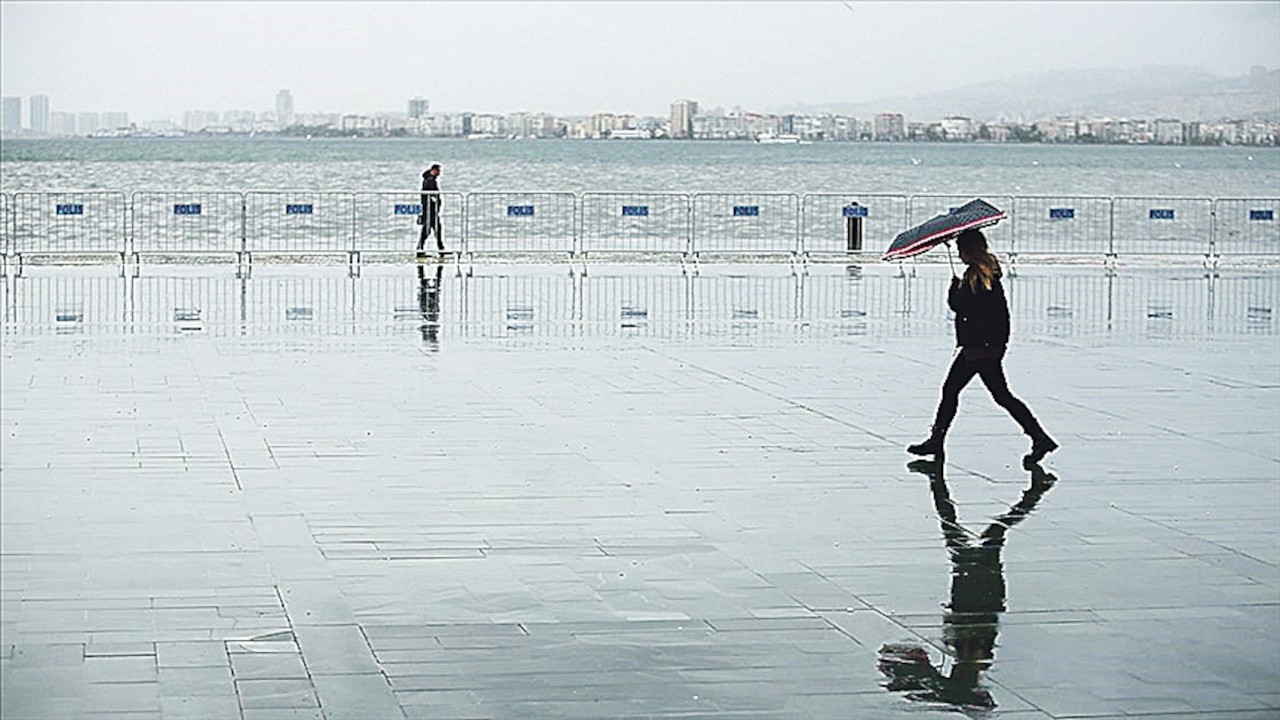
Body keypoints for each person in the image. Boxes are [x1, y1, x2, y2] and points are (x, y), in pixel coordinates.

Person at [878, 459, 1057, 709]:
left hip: (981, 593)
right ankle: (1035, 493)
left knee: (988, 533)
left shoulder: (973, 655)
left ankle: (1034, 493)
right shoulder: (970, 653)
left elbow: (979, 620)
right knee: (983, 532)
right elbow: (966, 619)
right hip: (975, 593)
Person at [908, 229, 1057, 467]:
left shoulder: (976, 277)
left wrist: (953, 290)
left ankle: (937, 440)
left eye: (960, 251)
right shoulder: (987, 272)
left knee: (955, 390)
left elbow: (962, 307)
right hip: (988, 344)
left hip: (978, 346)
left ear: (969, 251)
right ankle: (1039, 437)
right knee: (998, 394)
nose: (958, 255)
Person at [417, 164, 444, 256]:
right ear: (434, 170)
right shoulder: (430, 181)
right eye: (438, 171)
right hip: (430, 209)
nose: (439, 173)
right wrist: (435, 202)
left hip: (430, 209)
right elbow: (430, 194)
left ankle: (440, 248)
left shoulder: (429, 180)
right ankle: (421, 249)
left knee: (432, 229)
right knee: (430, 229)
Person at [417, 263, 442, 350]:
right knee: (434, 285)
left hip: (428, 307)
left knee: (425, 283)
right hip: (429, 307)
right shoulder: (429, 331)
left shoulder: (427, 331)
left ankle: (422, 268)